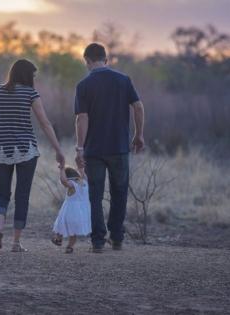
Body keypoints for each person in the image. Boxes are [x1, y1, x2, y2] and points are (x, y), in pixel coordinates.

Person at [0, 59, 65, 252]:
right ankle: (16, 242)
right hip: (26, 150)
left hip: (0, 149)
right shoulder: (30, 93)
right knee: (22, 195)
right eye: (33, 76)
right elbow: (45, 123)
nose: (34, 79)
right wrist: (58, 149)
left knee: (2, 193)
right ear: (27, 76)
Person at [74, 43, 145, 253]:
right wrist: (138, 134)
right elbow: (138, 107)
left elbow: (81, 118)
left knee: (94, 195)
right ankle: (117, 238)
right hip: (119, 147)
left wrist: (80, 148)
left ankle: (97, 242)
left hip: (94, 150)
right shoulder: (123, 80)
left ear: (87, 60)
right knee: (119, 193)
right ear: (106, 59)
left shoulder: (83, 85)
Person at [51, 166, 91, 254]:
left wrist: (61, 170)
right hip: (82, 212)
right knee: (73, 231)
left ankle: (58, 239)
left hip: (70, 210)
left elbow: (64, 181)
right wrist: (80, 167)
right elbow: (83, 173)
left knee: (61, 224)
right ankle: (70, 247)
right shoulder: (85, 182)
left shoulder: (72, 184)